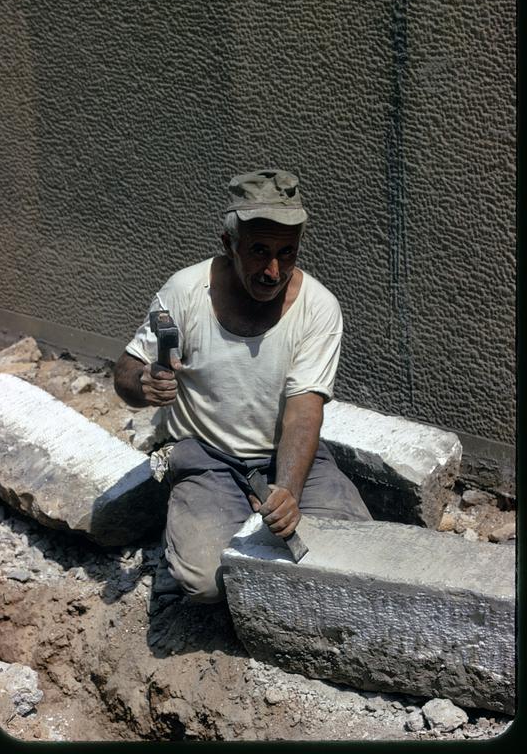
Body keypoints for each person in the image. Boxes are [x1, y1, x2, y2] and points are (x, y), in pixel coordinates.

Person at [114, 169, 371, 603]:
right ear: (227, 243)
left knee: (356, 552)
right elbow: (125, 371)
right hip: (208, 456)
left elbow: (304, 411)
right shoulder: (185, 292)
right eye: (259, 251)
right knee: (206, 582)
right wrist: (143, 383)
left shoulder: (319, 307)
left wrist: (287, 489)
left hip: (287, 453)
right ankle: (186, 508)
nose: (274, 270)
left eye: (287, 253)